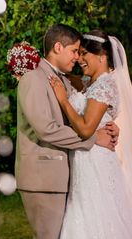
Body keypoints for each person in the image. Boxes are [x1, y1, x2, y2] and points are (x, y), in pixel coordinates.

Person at [7, 24, 119, 239]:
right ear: (58, 47)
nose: (77, 58)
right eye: (74, 51)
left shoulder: (61, 79)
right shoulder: (33, 78)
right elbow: (46, 129)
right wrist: (94, 138)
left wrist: (108, 124)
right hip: (43, 179)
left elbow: (86, 108)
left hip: (61, 177)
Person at [49, 30, 132, 238]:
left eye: (85, 54)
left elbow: (86, 129)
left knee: (97, 217)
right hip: (86, 160)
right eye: (78, 53)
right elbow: (76, 83)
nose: (80, 59)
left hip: (96, 162)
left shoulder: (104, 84)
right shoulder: (91, 84)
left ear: (102, 57)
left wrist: (64, 100)